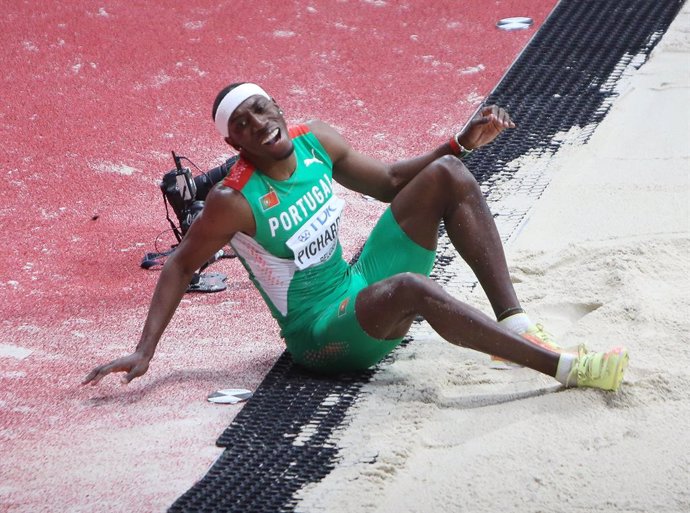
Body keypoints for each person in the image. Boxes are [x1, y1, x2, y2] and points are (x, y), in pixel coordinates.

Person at [83, 82, 628, 391]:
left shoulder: (315, 140)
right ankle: (566, 369)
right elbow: (180, 265)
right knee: (413, 287)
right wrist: (144, 350)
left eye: (260, 111)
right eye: (242, 126)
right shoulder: (232, 200)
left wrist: (459, 143)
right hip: (323, 334)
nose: (257, 125)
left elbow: (392, 184)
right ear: (233, 142)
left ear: (278, 107)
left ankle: (517, 323)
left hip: (357, 283)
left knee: (448, 176)